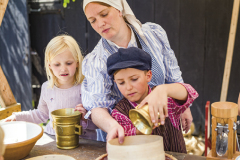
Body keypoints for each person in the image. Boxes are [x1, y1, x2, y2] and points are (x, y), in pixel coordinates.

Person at [82, 0, 194, 143]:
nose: (99, 24)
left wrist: (184, 106)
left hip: (166, 125)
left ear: (119, 9)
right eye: (92, 21)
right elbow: (97, 107)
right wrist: (112, 126)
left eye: (104, 14)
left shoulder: (153, 34)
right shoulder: (96, 60)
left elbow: (173, 74)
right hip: (128, 135)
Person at [3, 35, 98, 141]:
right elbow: (41, 114)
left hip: (83, 142)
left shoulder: (87, 87)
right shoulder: (47, 88)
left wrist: (85, 118)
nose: (63, 69)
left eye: (68, 63)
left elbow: (98, 124)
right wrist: (17, 117)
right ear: (49, 65)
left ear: (77, 62)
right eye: (57, 64)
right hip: (53, 139)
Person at [107, 47, 198, 152]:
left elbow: (190, 92)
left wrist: (164, 89)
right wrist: (140, 130)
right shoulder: (119, 113)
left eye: (134, 79)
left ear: (148, 76)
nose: (128, 87)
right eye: (121, 82)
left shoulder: (165, 99)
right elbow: (122, 139)